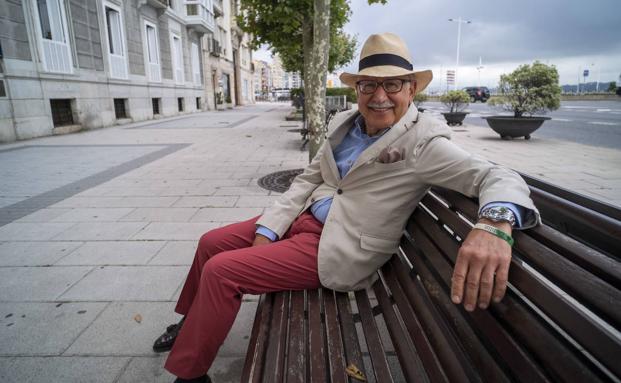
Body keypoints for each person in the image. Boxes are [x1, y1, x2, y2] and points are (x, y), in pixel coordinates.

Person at [154, 32, 540, 383]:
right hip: (305, 218)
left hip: (340, 244)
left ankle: (191, 375)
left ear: (411, 89)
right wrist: (270, 227)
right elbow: (308, 179)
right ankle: (190, 326)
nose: (379, 95)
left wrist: (493, 225)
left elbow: (496, 175)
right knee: (210, 242)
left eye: (392, 84)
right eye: (369, 84)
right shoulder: (346, 122)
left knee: (223, 272)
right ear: (357, 89)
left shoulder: (425, 142)